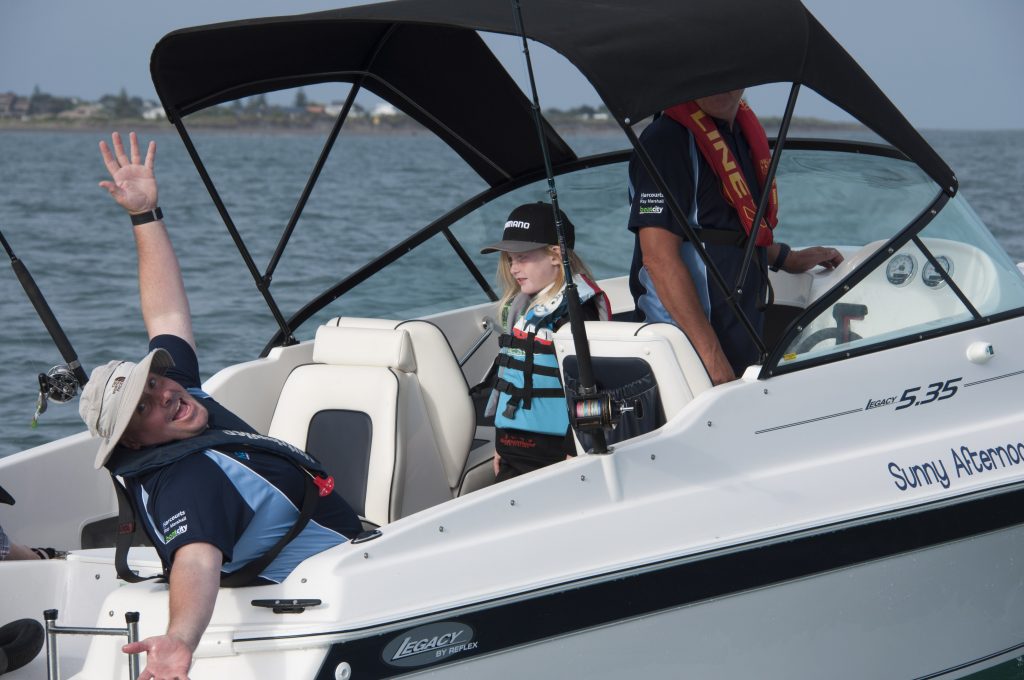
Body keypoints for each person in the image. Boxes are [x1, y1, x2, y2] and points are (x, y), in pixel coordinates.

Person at [79, 132, 362, 680]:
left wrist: (144, 215)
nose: (167, 395)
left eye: (156, 382)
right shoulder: (187, 478)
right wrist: (180, 640)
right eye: (144, 406)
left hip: (350, 561)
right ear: (132, 441)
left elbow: (166, 315)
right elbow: (196, 558)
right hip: (344, 585)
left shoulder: (181, 403)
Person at [627, 89, 844, 384]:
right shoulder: (666, 140)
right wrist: (712, 360)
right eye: (705, 75)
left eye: (725, 75)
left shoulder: (739, 135)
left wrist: (787, 258)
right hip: (685, 354)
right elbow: (658, 258)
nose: (717, 86)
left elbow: (729, 231)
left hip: (739, 338)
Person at [481, 202, 610, 481]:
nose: (514, 269)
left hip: (556, 454)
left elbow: (595, 384)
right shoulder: (524, 307)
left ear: (556, 255)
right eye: (510, 260)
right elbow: (511, 380)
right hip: (513, 448)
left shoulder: (575, 311)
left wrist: (577, 446)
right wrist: (501, 442)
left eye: (522, 258)